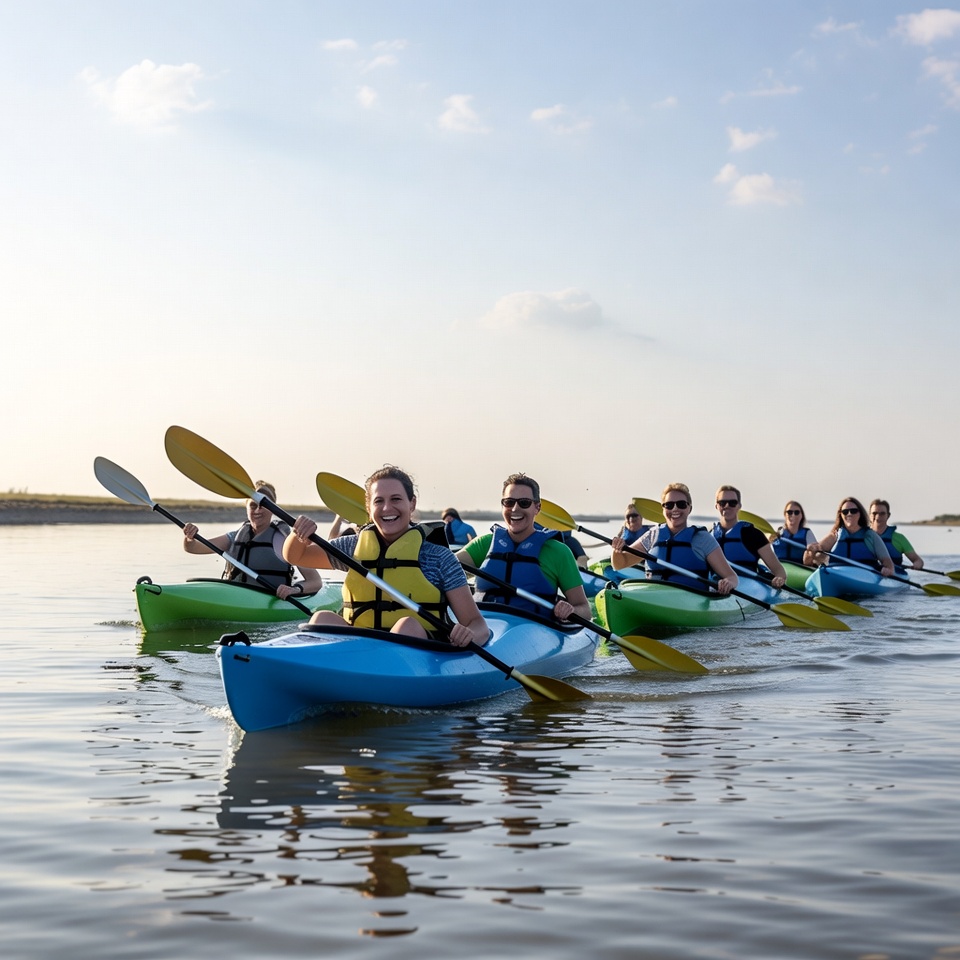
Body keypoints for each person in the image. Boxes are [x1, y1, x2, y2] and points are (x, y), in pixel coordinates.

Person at [282, 466, 489, 648]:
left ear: (412, 504)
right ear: (369, 508)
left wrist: (468, 635)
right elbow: (296, 556)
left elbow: (477, 624)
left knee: (406, 626)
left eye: (396, 499)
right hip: (359, 648)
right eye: (379, 501)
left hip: (416, 654)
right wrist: (298, 534)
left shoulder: (438, 557)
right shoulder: (352, 547)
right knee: (322, 619)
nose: (387, 508)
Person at [456, 473, 592, 622]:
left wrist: (571, 611)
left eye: (524, 503)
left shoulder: (559, 552)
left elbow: (585, 609)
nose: (515, 509)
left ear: (537, 508)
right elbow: (446, 566)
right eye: (509, 502)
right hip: (485, 625)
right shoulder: (484, 544)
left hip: (534, 628)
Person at [181, 481, 322, 601]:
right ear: (247, 508)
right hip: (236, 598)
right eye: (253, 506)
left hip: (271, 600)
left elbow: (315, 581)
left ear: (273, 509)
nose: (257, 510)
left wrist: (294, 589)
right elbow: (193, 548)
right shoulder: (235, 537)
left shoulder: (284, 540)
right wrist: (189, 537)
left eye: (263, 506)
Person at [610, 482, 738, 594]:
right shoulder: (653, 535)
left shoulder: (702, 538)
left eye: (681, 504)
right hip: (653, 596)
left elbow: (732, 577)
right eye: (669, 505)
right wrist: (616, 550)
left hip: (692, 600)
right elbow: (620, 564)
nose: (675, 509)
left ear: (689, 508)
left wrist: (728, 582)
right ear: (663, 509)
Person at [712, 485, 787, 589]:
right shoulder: (709, 536)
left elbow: (779, 570)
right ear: (716, 506)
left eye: (732, 503)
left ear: (739, 506)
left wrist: (779, 579)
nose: (727, 506)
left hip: (748, 587)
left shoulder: (753, 535)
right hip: (716, 584)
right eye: (722, 503)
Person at [804, 496, 895, 577]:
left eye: (853, 511)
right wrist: (811, 552)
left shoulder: (871, 536)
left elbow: (889, 565)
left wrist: (887, 570)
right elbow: (809, 558)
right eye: (845, 512)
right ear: (841, 515)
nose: (849, 514)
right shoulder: (835, 535)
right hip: (837, 575)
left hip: (866, 577)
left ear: (860, 513)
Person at [869, 499, 924, 572]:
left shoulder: (899, 538)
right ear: (869, 515)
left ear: (888, 516)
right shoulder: (862, 536)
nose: (878, 516)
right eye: (874, 513)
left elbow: (918, 560)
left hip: (894, 574)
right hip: (868, 573)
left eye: (882, 513)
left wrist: (917, 564)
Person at [770, 500, 817, 565]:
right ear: (785, 515)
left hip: (800, 567)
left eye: (796, 512)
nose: (793, 515)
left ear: (801, 516)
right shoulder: (777, 534)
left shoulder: (807, 533)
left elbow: (816, 553)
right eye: (789, 512)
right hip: (780, 567)